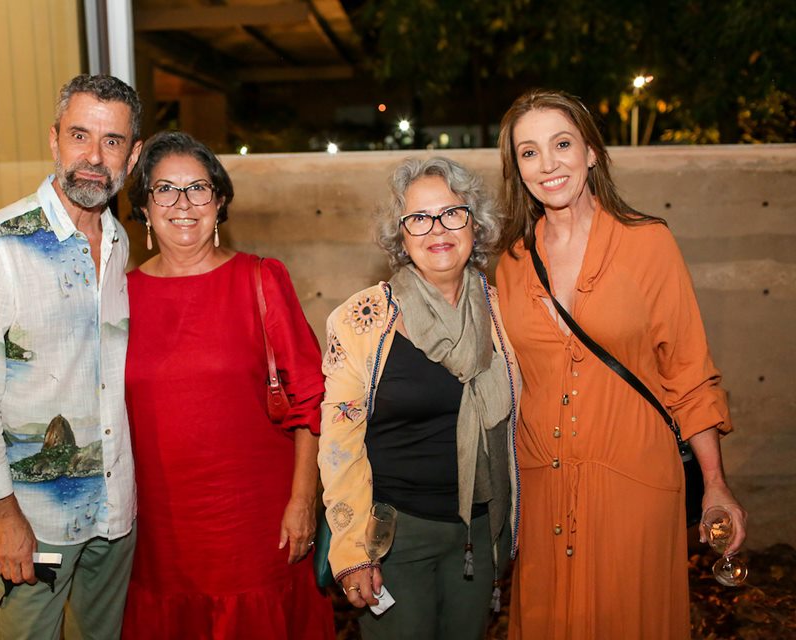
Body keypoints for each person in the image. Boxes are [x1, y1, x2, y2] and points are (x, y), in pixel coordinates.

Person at [494, 89, 748, 638]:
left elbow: (689, 371)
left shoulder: (647, 243)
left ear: (590, 152)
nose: (548, 164)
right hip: (543, 488)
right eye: (529, 152)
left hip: (634, 481)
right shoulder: (511, 263)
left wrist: (715, 484)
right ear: (517, 170)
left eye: (562, 144)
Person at [0, 74, 143, 638]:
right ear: (54, 140)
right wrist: (3, 517)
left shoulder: (118, 240)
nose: (93, 157)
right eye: (80, 135)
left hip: (114, 505)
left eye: (111, 142)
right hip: (33, 515)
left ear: (130, 157)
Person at [120, 130, 335, 639]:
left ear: (218, 204)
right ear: (144, 210)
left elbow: (311, 399)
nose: (183, 204)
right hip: (157, 531)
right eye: (164, 189)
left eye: (198, 189)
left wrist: (304, 501)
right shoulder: (119, 299)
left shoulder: (259, 280)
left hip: (255, 526)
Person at [318, 157, 520, 639]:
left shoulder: (504, 311)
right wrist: (352, 553)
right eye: (419, 219)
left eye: (453, 213)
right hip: (396, 537)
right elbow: (339, 443)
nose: (437, 229)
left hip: (479, 533)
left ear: (476, 223)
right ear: (401, 235)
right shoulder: (361, 319)